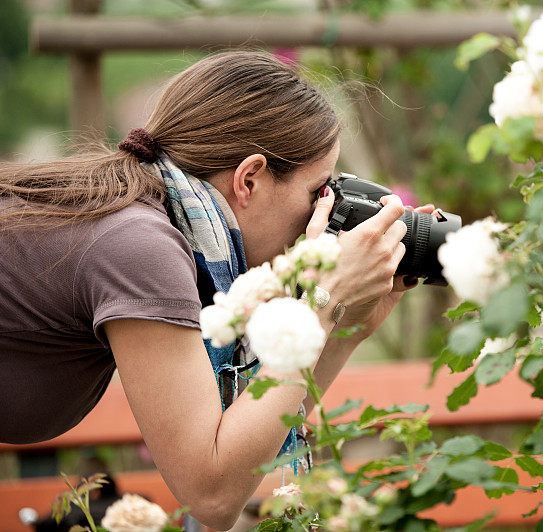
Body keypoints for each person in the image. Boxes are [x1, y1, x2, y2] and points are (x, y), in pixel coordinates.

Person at [0, 51, 434, 530]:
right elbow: (211, 492)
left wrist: (345, 327)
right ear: (249, 179)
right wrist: (321, 305)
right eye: (319, 192)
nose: (325, 216)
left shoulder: (139, 221)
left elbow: (243, 442)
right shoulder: (139, 246)